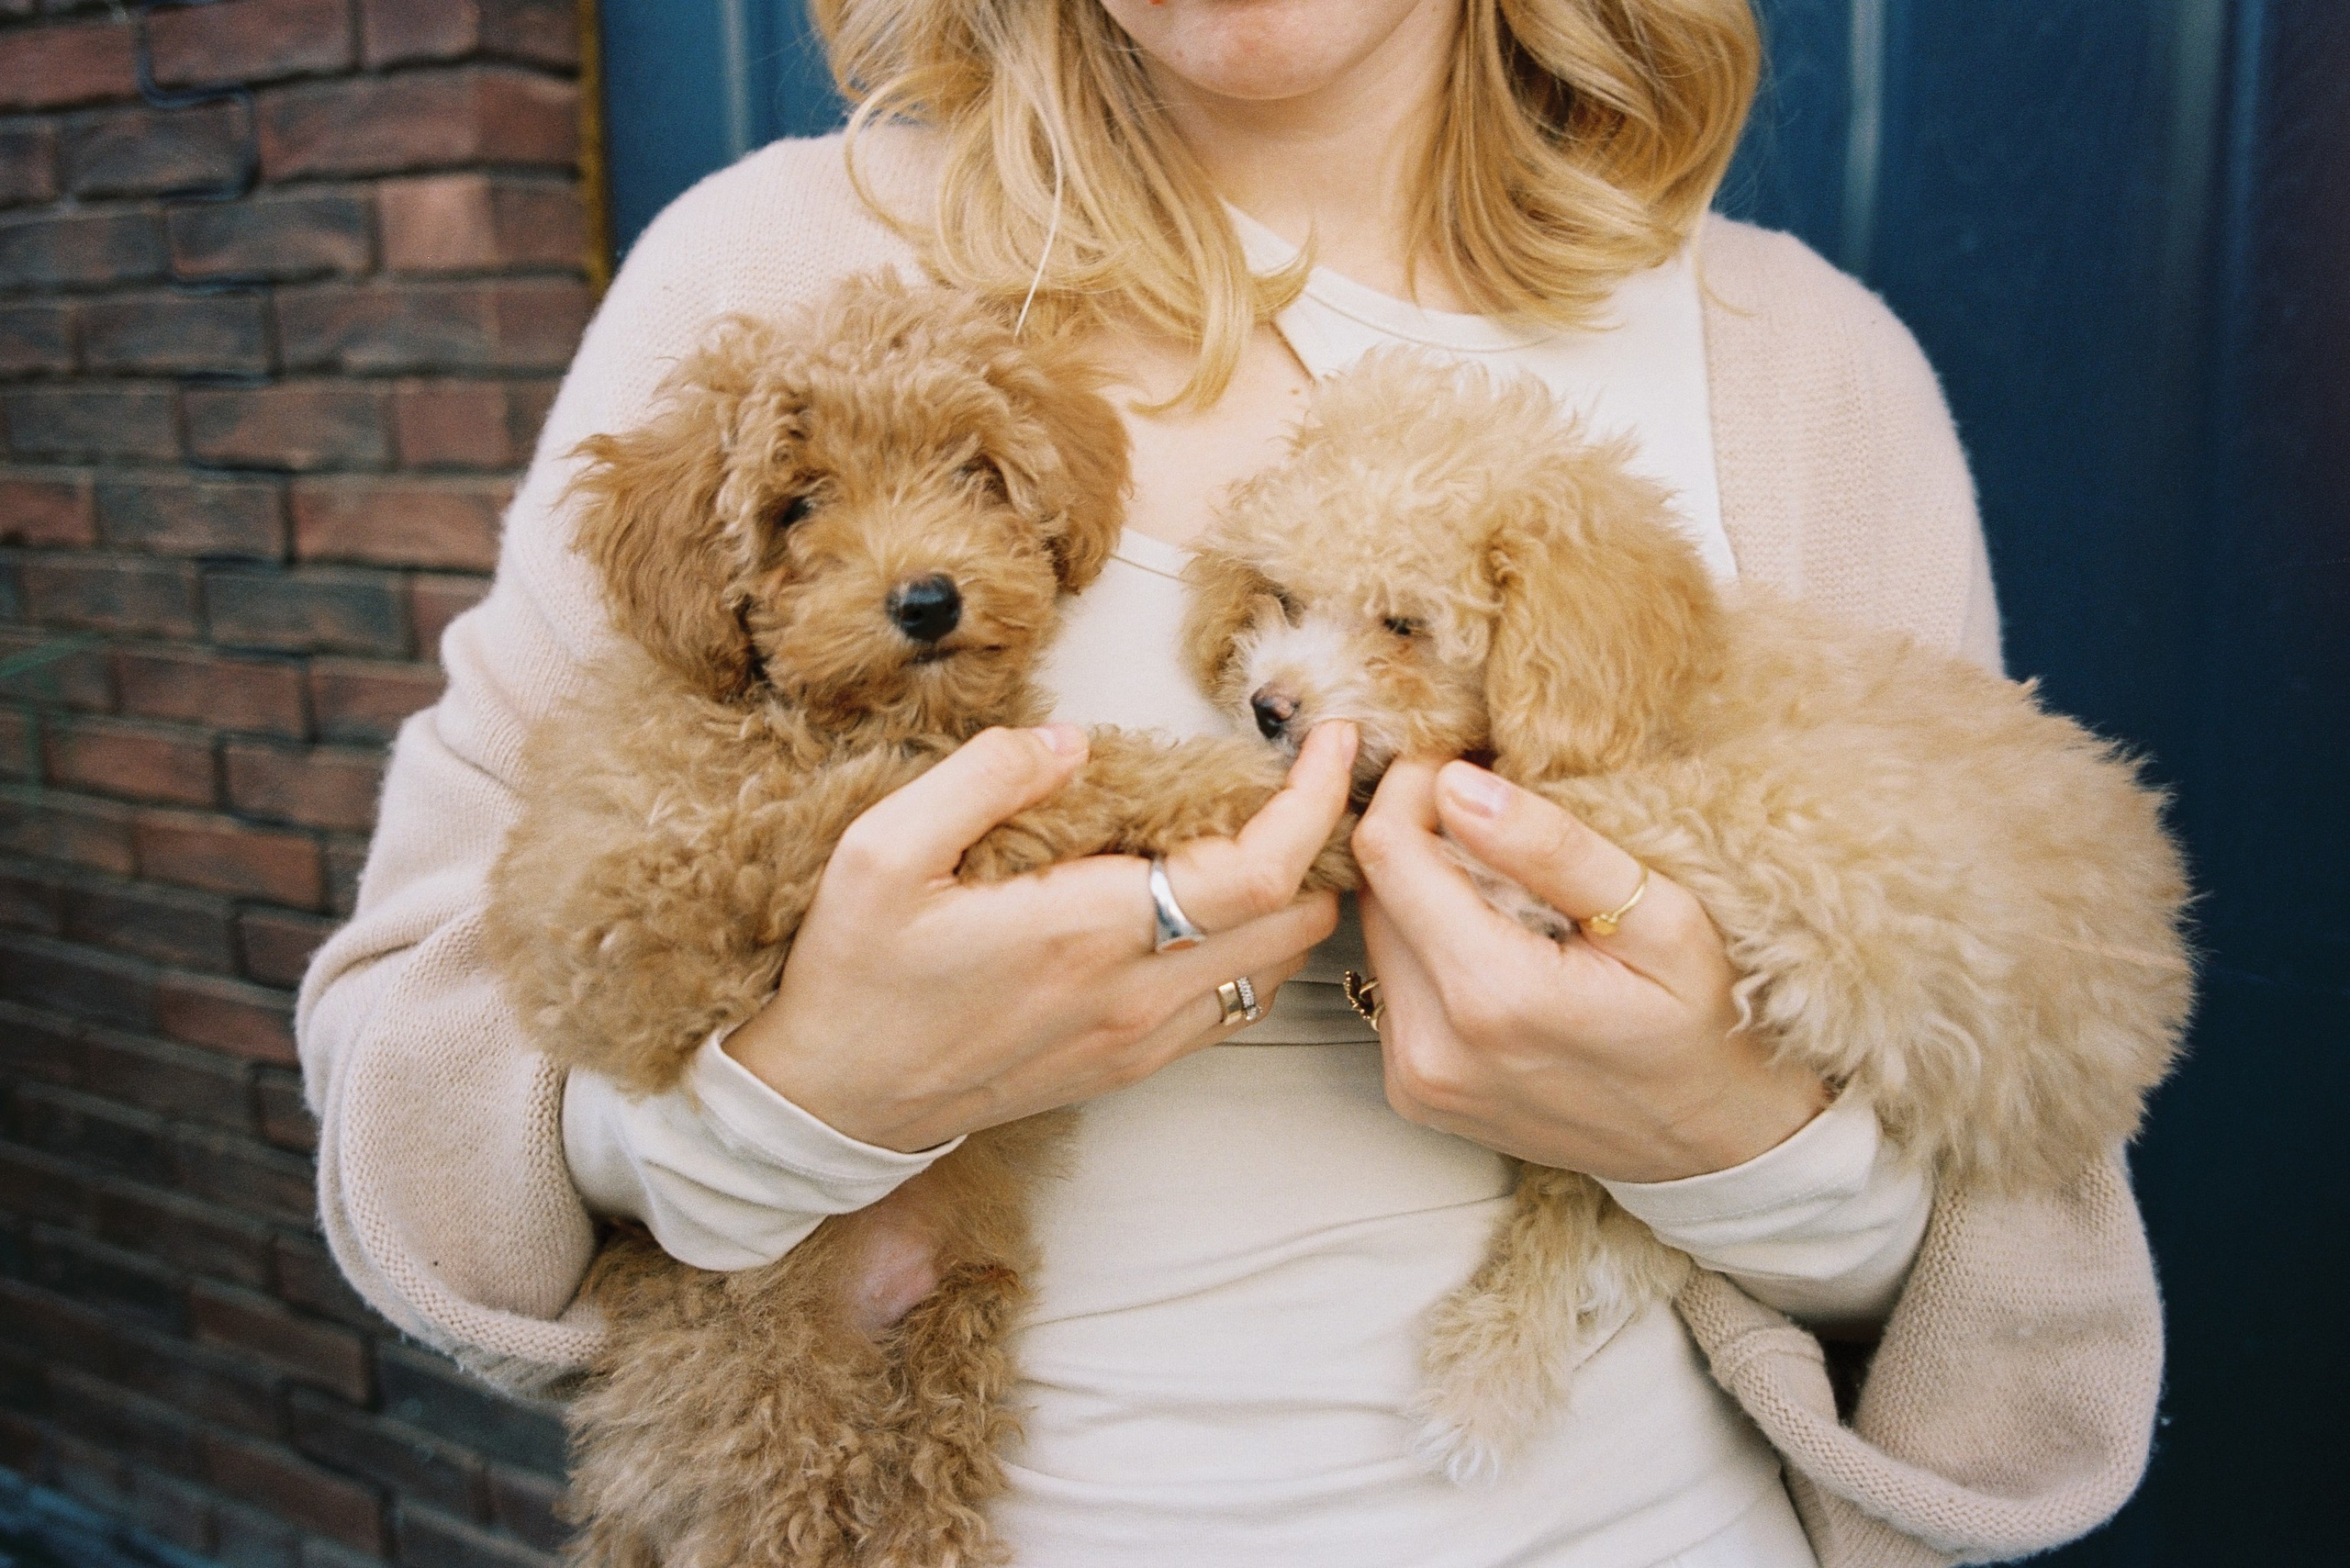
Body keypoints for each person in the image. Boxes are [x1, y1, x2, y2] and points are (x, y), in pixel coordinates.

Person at [297, 2, 2165, 1563]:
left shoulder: (1807, 374)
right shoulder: (763, 266)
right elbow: (417, 1078)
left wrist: (1734, 1145)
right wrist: (777, 1114)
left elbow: (2011, 1234)